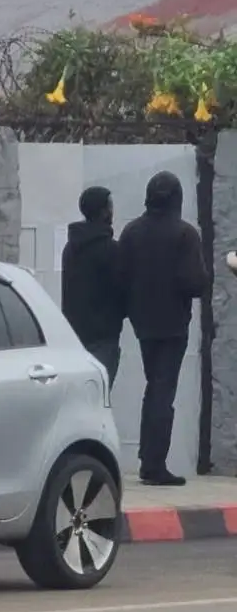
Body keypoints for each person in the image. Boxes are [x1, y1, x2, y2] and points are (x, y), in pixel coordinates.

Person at [117, 171, 209, 487]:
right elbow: (195, 283)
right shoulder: (185, 234)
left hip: (143, 322)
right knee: (162, 391)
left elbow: (122, 277)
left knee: (153, 387)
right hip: (172, 324)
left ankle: (149, 458)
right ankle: (154, 464)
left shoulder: (131, 232)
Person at [61, 186, 124, 389]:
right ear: (104, 211)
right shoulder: (110, 250)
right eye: (110, 206)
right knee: (100, 397)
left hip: (74, 334)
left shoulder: (70, 248)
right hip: (103, 336)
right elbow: (121, 290)